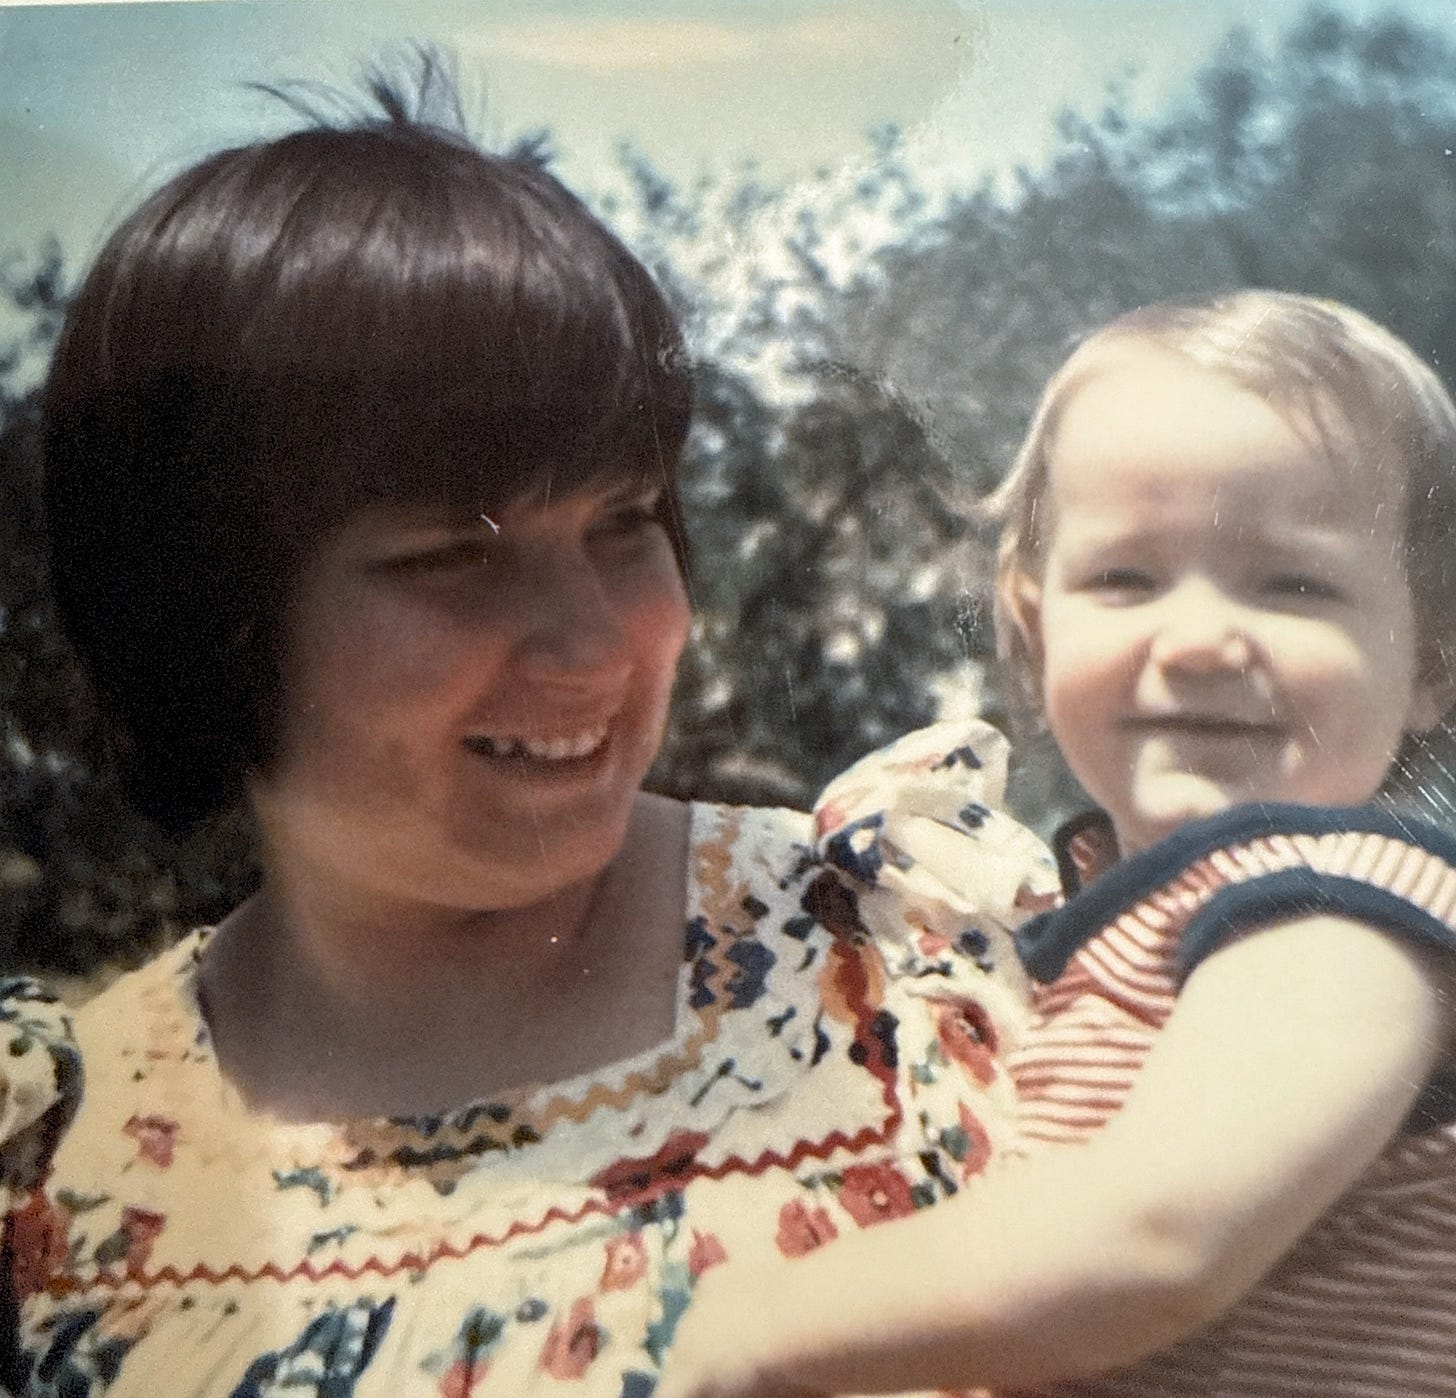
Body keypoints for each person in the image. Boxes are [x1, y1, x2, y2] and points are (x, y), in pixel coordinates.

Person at [658, 291, 1456, 1398]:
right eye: (1126, 578)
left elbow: (1157, 1238)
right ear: (1035, 637)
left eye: (1295, 584)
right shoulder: (1100, 912)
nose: (1198, 640)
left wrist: (766, 1322)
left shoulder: (1339, 908)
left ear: (1431, 663)